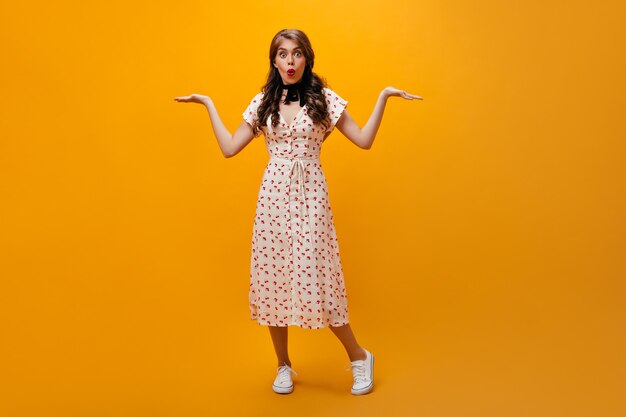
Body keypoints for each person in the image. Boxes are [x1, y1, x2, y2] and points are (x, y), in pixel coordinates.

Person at [174, 28, 422, 395]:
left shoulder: (324, 100)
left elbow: (365, 141)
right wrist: (209, 103)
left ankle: (358, 356)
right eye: (283, 54)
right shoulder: (262, 103)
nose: (290, 62)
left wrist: (383, 97)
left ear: (307, 58)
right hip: (272, 199)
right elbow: (229, 148)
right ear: (274, 60)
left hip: (310, 198)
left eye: (297, 54)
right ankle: (283, 365)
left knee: (318, 278)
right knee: (273, 278)